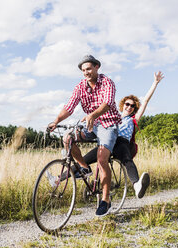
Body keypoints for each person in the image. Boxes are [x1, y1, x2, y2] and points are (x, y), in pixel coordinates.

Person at [48, 54, 121, 216]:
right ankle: (84, 167)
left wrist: (93, 115)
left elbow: (107, 104)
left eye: (88, 69)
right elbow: (70, 106)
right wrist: (56, 120)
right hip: (90, 124)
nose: (86, 72)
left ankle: (106, 200)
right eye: (83, 70)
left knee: (102, 159)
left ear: (96, 67)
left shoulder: (107, 82)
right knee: (67, 138)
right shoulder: (80, 86)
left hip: (108, 124)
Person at [83, 71, 165, 199]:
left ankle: (137, 185)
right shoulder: (113, 116)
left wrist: (155, 83)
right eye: (127, 104)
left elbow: (146, 101)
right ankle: (59, 179)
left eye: (133, 106)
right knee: (83, 160)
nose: (130, 107)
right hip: (108, 142)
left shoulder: (133, 119)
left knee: (126, 159)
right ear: (123, 105)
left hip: (122, 143)